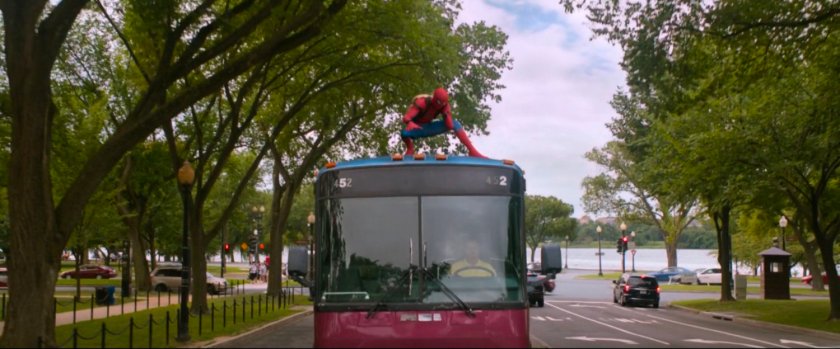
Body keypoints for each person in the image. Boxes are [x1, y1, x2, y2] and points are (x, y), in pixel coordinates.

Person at [400, 87, 487, 158]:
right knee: (404, 133)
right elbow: (406, 117)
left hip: (429, 128)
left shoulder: (444, 106)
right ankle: (410, 149)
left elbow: (449, 126)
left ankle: (472, 151)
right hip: (418, 128)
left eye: (443, 103)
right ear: (434, 99)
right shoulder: (423, 102)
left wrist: (446, 114)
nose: (440, 105)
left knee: (455, 123)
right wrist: (410, 123)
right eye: (438, 102)